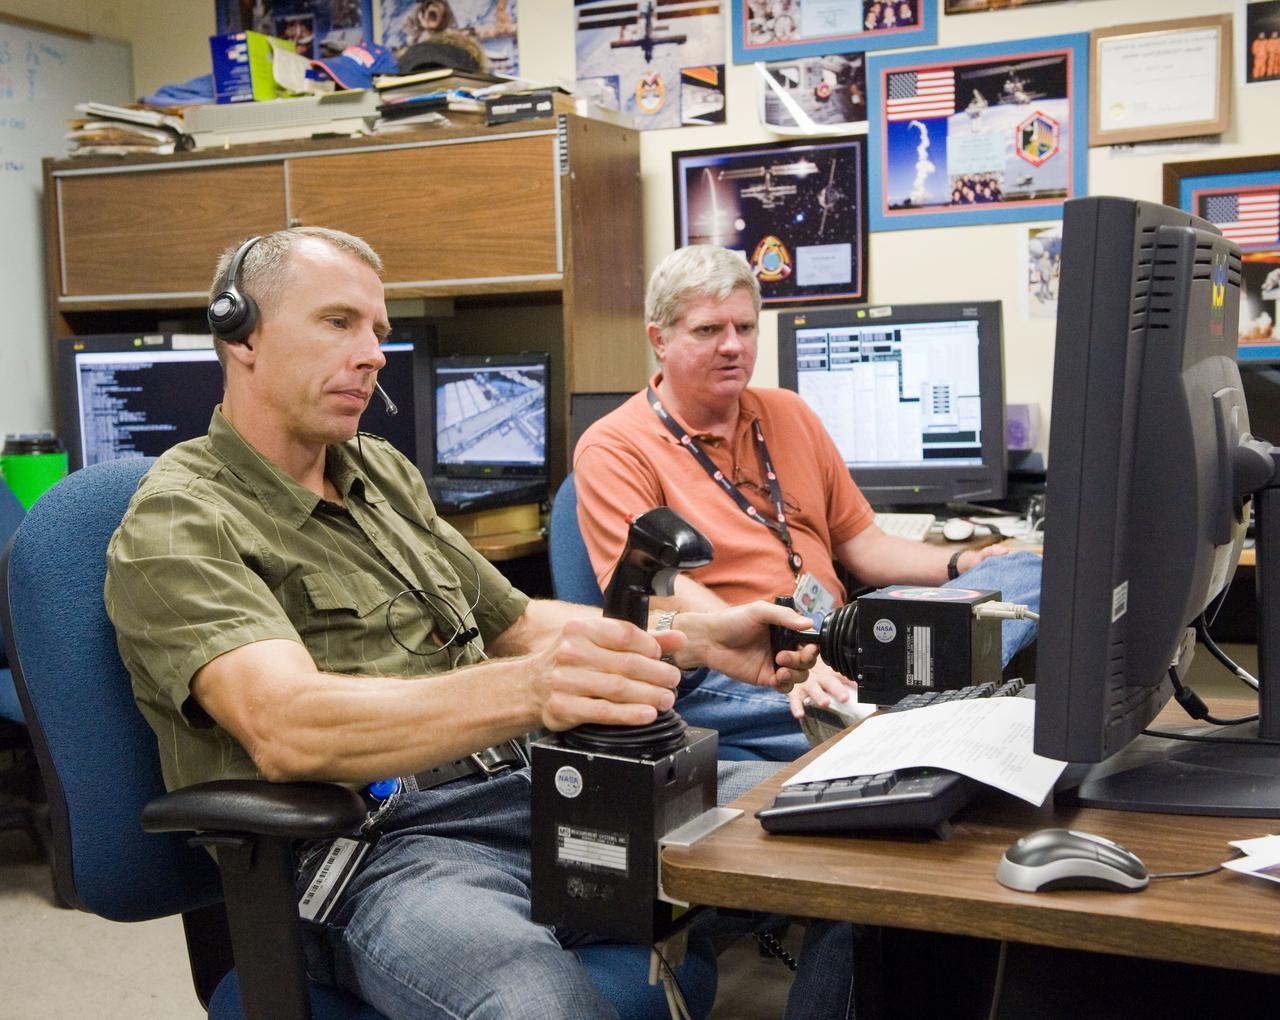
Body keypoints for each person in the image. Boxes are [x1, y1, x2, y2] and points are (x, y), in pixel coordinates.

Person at [105, 228, 853, 1020]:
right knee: (540, 1004)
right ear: (241, 332)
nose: (373, 354)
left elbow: (523, 621)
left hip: (531, 788)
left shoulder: (379, 474)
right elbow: (288, 727)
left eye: (379, 332)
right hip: (383, 846)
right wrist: (532, 691)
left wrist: (697, 637)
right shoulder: (182, 518)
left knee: (849, 836)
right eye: (339, 323)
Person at [575, 245, 1043, 761]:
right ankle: (918, 710)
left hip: (841, 635)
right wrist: (781, 651)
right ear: (659, 340)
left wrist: (961, 562)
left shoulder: (789, 412)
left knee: (1025, 569)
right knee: (878, 709)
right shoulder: (614, 446)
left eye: (745, 328)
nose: (733, 346)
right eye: (708, 330)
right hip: (734, 657)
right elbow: (663, 593)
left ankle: (909, 705)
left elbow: (863, 543)